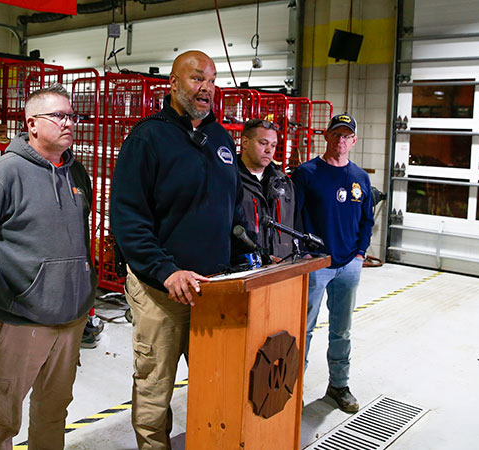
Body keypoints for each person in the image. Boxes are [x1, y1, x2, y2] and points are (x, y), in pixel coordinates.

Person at [110, 50, 247, 449]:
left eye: (212, 79)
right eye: (196, 78)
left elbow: (233, 207)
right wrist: (166, 271)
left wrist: (246, 258)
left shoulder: (221, 138)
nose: (207, 88)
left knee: (217, 383)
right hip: (161, 291)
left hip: (214, 290)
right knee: (155, 388)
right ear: (172, 83)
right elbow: (128, 219)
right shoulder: (147, 137)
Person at [0, 83, 96, 450]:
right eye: (59, 116)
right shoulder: (0, 175)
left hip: (70, 319)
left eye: (71, 116)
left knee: (54, 412)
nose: (68, 123)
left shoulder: (78, 175)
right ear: (32, 124)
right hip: (18, 319)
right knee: (3, 418)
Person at [292, 113, 374, 413]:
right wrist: (304, 254)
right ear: (326, 137)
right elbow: (294, 216)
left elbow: (367, 219)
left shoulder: (361, 178)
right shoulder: (307, 173)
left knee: (342, 329)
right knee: (304, 328)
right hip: (316, 264)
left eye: (346, 136)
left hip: (349, 265)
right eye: (335, 134)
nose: (340, 141)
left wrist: (360, 253)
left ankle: (338, 384)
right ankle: (294, 388)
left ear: (353, 141)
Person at [238, 118, 298, 260]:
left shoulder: (283, 182)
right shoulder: (230, 180)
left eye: (273, 145)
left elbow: (295, 224)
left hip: (281, 266)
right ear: (245, 142)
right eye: (263, 143)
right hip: (246, 268)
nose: (268, 150)